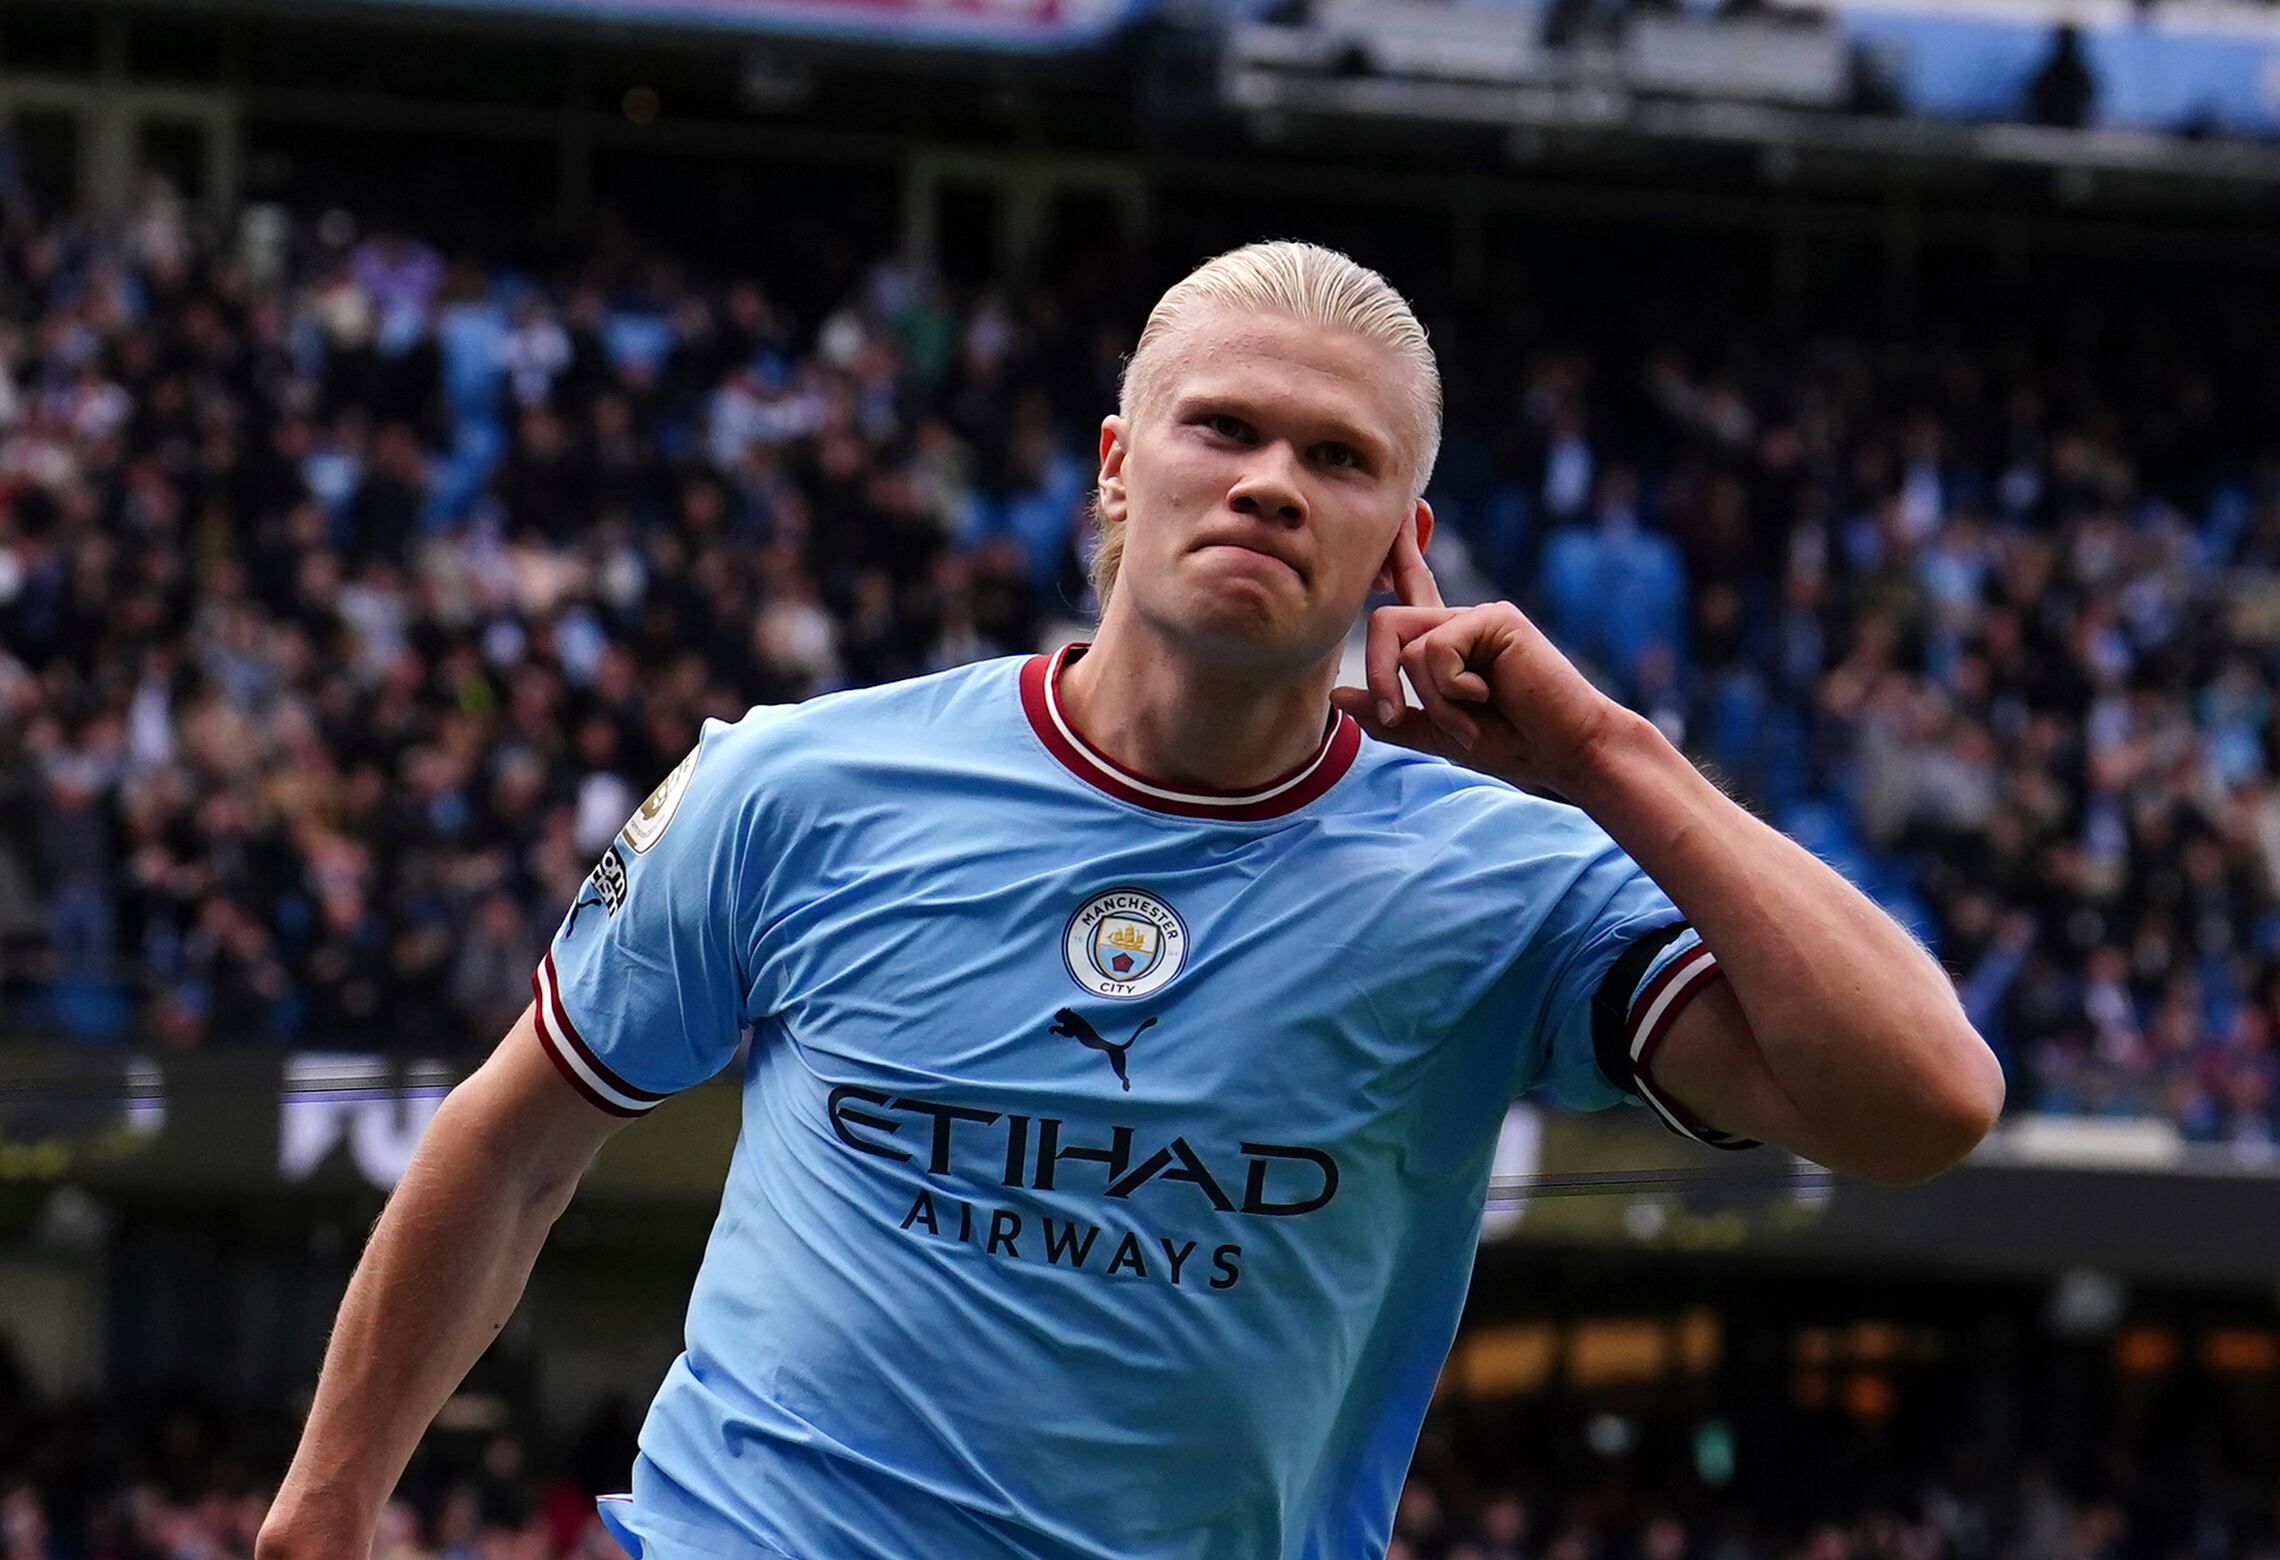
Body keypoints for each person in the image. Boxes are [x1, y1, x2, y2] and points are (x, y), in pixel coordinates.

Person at [256, 242, 2003, 1560]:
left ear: (1408, 536)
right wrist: (324, 1510)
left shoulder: (1505, 886)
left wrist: (1613, 755)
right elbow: (510, 1144)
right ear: (1116, 463)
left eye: (1338, 459)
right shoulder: (799, 787)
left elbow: (1923, 1104)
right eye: (1222, 428)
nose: (1266, 480)